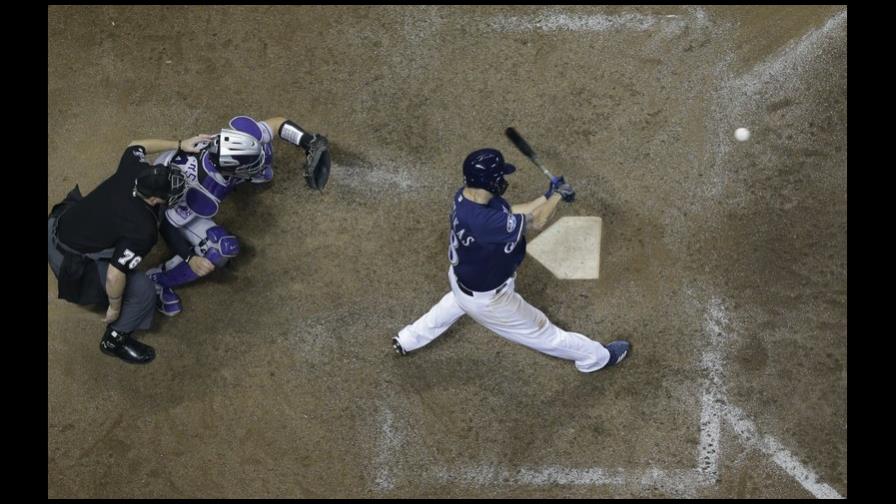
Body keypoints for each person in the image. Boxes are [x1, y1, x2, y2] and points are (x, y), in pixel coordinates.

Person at [392, 148, 630, 373]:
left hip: (462, 279)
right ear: (488, 180)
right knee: (544, 333)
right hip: (490, 301)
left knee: (455, 301)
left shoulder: (466, 198)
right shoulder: (482, 223)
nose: (503, 179)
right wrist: (558, 196)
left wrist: (546, 196)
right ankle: (596, 358)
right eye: (499, 175)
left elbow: (510, 213)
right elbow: (535, 222)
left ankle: (408, 339)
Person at [145, 115, 330, 316]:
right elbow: (168, 225)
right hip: (170, 203)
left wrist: (308, 142)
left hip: (177, 171)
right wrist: (190, 259)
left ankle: (244, 174)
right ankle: (156, 280)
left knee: (264, 165)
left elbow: (277, 124)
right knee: (220, 249)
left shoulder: (232, 141)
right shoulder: (201, 192)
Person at [48, 135, 209, 363]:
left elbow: (135, 145)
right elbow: (115, 275)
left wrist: (180, 144)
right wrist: (114, 308)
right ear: (153, 199)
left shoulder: (134, 167)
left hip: (58, 224)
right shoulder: (143, 230)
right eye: (168, 194)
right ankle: (114, 340)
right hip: (67, 261)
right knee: (143, 289)